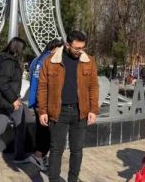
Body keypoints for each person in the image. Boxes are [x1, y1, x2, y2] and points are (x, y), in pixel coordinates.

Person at [37, 30, 100, 182]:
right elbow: (43, 87)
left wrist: (93, 110)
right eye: (77, 48)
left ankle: (73, 179)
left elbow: (93, 87)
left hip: (80, 112)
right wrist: (42, 111)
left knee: (77, 150)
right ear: (67, 45)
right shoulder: (51, 61)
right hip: (58, 112)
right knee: (56, 150)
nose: (80, 51)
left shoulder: (89, 61)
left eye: (83, 48)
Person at [0, 37, 27, 161]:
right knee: (20, 127)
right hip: (10, 100)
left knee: (0, 128)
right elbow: (3, 83)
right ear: (18, 48)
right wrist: (14, 99)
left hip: (3, 100)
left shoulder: (2, 59)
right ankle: (19, 156)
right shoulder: (9, 62)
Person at [24, 38, 64, 171]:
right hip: (46, 102)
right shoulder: (51, 60)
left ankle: (39, 156)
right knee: (48, 134)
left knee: (42, 131)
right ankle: (39, 157)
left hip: (35, 101)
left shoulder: (36, 60)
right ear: (56, 48)